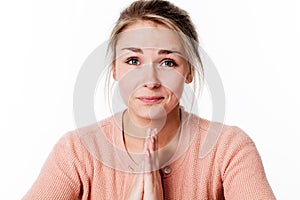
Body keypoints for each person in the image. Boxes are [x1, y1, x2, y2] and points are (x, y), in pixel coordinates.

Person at [24, 0, 276, 199]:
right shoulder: (76, 152)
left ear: (189, 71)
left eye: (168, 62)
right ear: (115, 69)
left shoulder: (228, 149)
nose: (151, 80)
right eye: (133, 61)